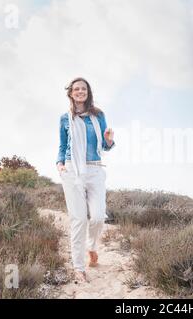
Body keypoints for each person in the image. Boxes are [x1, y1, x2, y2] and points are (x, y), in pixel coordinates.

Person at [56, 77, 115, 283]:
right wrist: (60, 164)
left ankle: (92, 247)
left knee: (98, 216)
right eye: (76, 89)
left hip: (95, 169)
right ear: (71, 93)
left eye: (84, 88)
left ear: (88, 92)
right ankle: (79, 268)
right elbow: (62, 146)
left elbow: (106, 146)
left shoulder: (99, 115)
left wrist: (108, 140)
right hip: (72, 169)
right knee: (79, 220)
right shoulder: (65, 118)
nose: (80, 91)